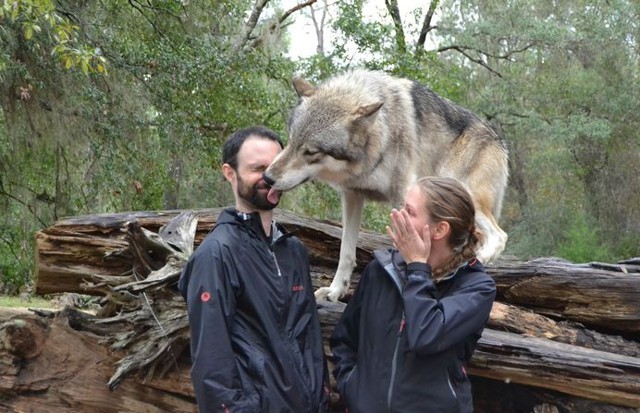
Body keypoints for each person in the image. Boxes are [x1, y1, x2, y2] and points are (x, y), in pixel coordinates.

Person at [178, 126, 329, 413]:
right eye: (257, 168)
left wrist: (321, 398)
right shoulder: (216, 255)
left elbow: (309, 339)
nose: (269, 177)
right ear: (229, 173)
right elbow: (211, 367)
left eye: (275, 166)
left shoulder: (293, 251)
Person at [330, 176, 497, 413]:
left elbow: (426, 336)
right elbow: (344, 340)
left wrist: (418, 267)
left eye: (409, 211)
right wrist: (353, 388)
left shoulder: (476, 288)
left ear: (440, 229)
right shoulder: (381, 270)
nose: (398, 217)